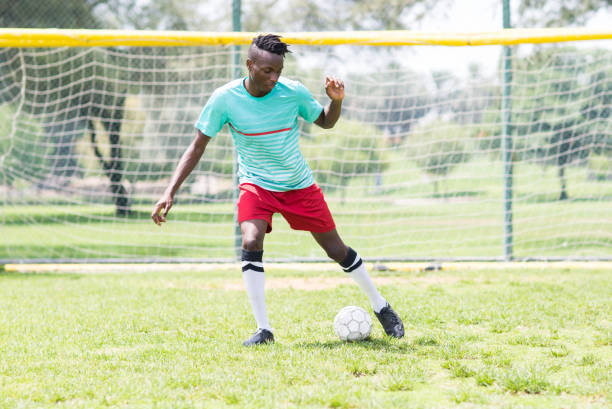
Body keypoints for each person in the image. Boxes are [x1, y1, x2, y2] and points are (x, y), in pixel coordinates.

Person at [152, 34, 404, 346]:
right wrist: (169, 190)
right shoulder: (224, 99)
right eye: (267, 71)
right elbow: (196, 147)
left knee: (336, 250)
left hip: (298, 184)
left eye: (278, 71)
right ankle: (263, 329)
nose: (274, 78)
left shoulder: (292, 92)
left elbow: (325, 122)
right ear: (250, 65)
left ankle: (381, 306)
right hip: (256, 184)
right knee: (251, 239)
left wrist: (335, 101)